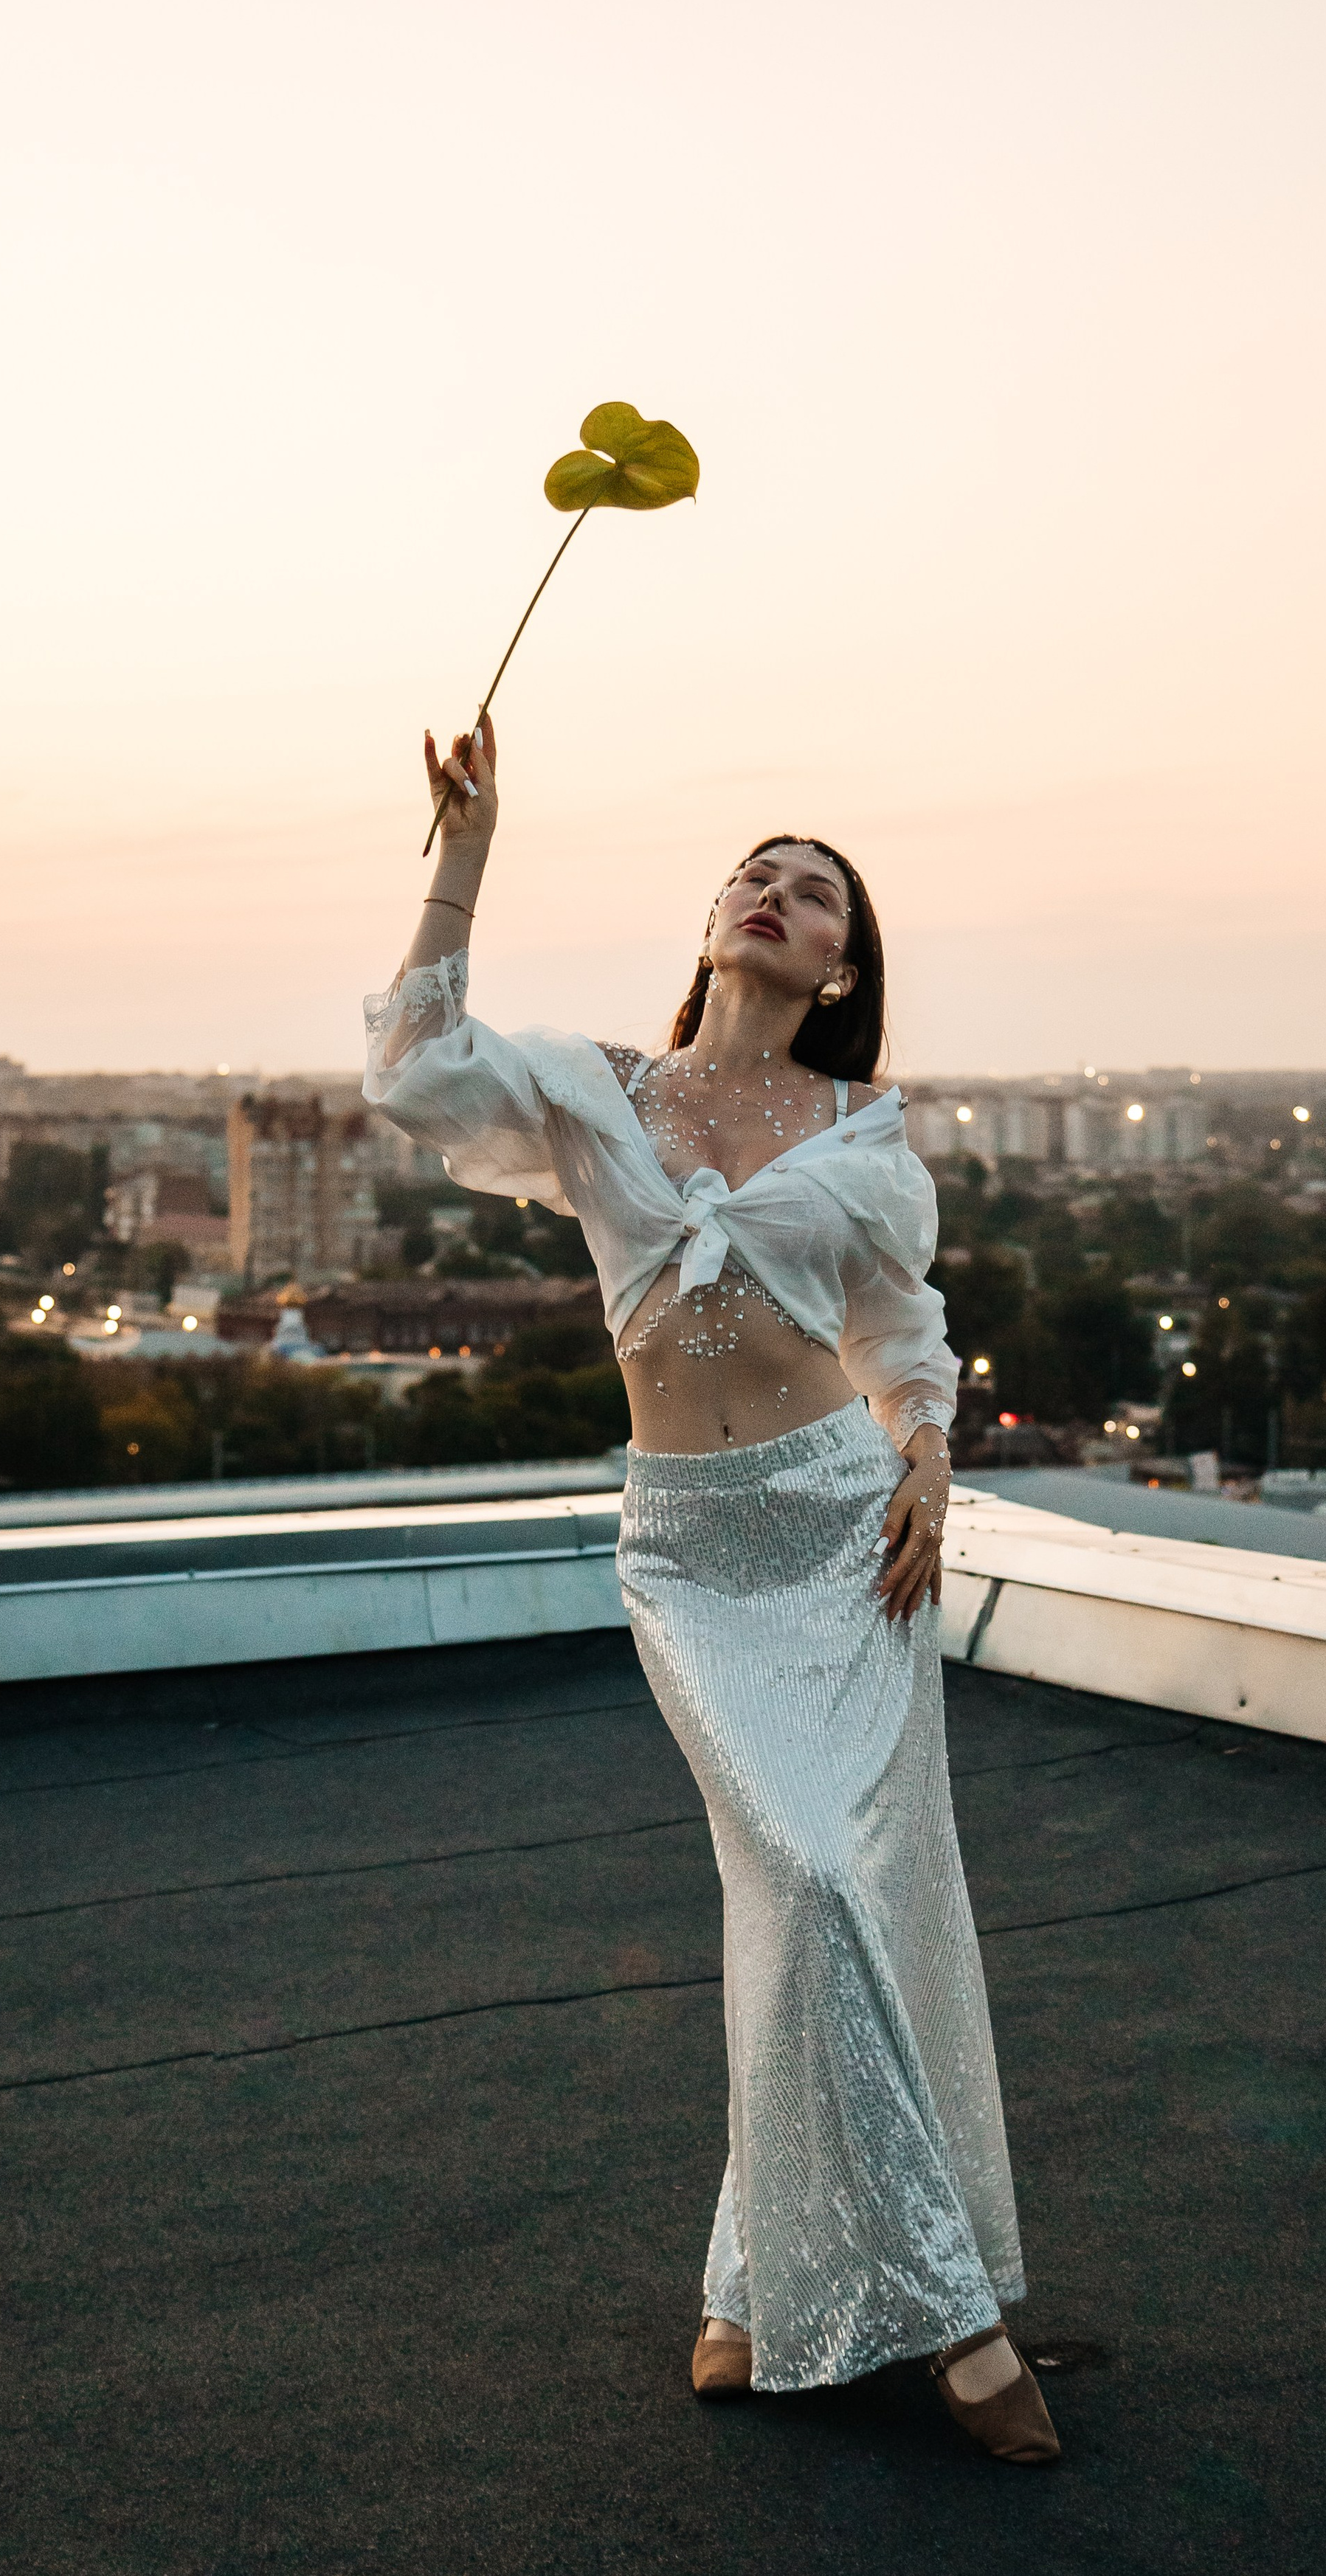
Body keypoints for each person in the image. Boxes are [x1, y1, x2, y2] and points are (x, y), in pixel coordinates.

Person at [362, 717, 1058, 2465]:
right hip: (693, 1553)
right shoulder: (597, 1091)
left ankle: (759, 2289)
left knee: (820, 1901)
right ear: (710, 929)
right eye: (752, 874)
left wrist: (925, 1456)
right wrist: (463, 849)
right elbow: (411, 1066)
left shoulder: (861, 1129)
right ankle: (947, 2310)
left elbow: (902, 1329)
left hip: (845, 1536)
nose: (772, 894)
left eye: (812, 892)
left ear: (839, 966)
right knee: (804, 1878)